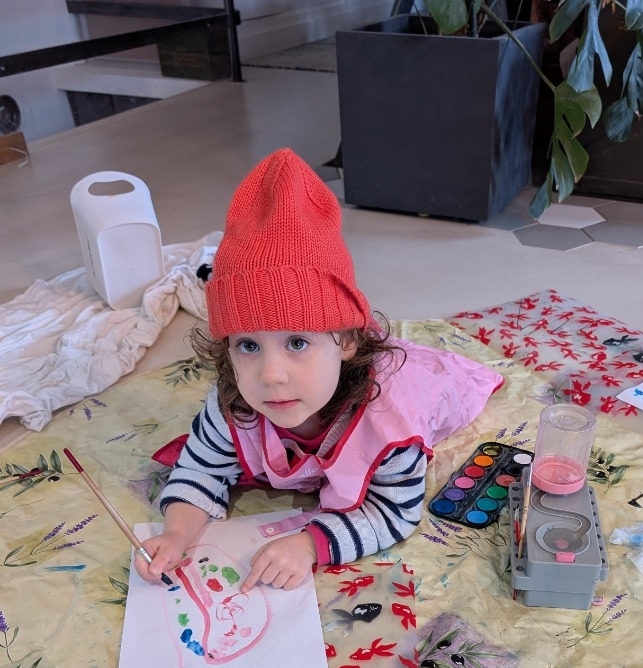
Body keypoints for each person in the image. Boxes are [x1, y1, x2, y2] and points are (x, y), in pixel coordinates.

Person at [136, 149, 503, 591]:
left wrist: (310, 544)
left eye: (297, 342)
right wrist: (176, 534)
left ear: (347, 341)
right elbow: (200, 469)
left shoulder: (391, 423)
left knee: (429, 377)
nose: (271, 375)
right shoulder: (231, 403)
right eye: (248, 345)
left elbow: (393, 512)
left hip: (421, 385)